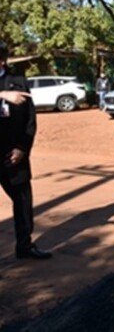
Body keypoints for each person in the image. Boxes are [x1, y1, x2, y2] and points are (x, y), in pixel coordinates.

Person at [0, 41, 52, 259]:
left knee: (22, 201)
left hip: (13, 153)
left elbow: (30, 119)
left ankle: (25, 245)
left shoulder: (18, 81)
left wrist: (22, 148)